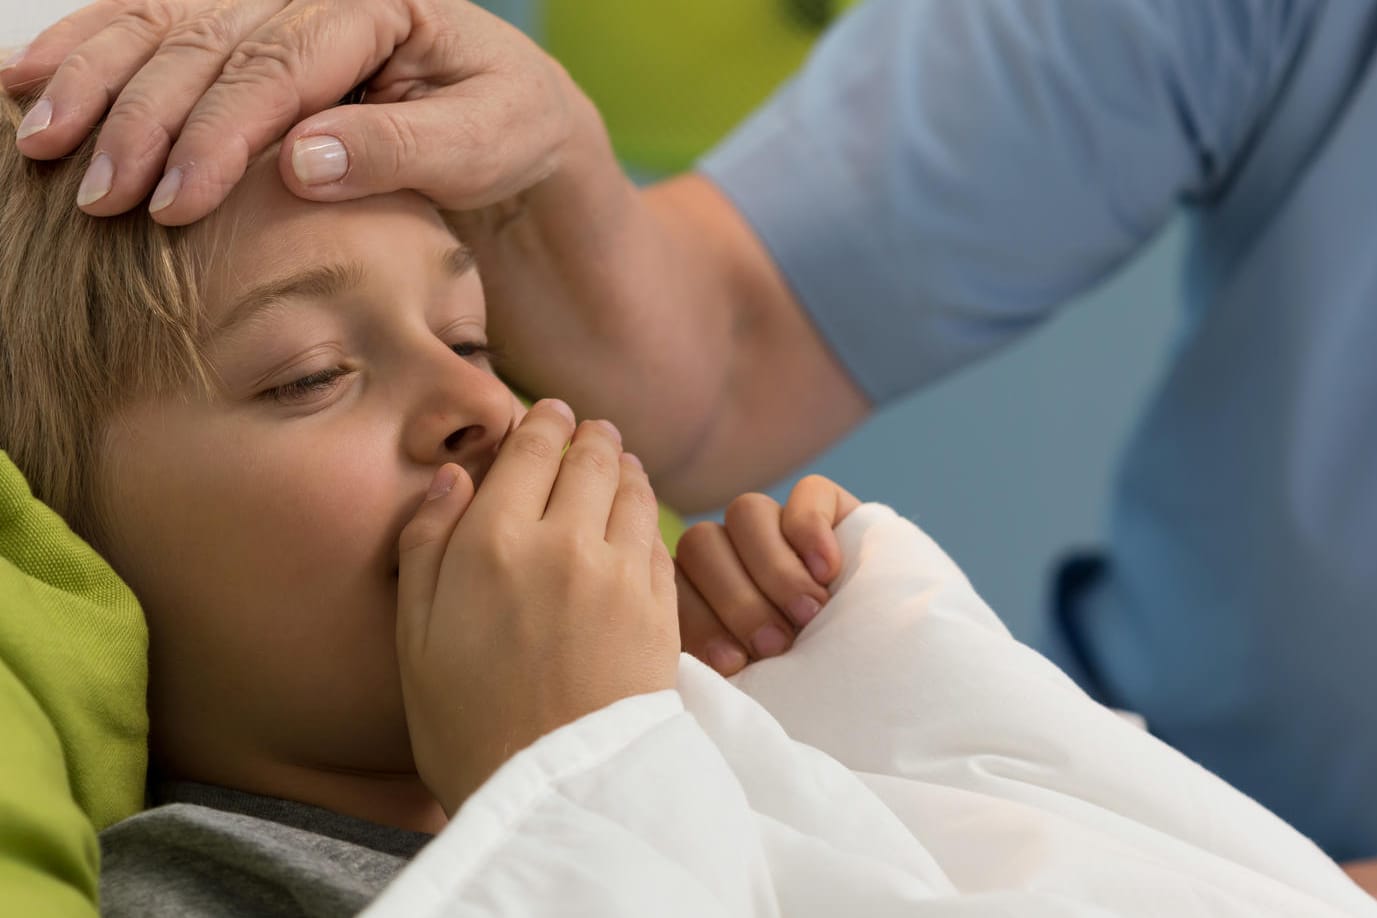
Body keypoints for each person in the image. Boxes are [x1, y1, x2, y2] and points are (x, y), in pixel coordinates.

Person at [4, 0, 1376, 878]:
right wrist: (579, 777)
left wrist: (851, 712)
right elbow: (727, 339)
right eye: (309, 375)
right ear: (72, 544)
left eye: (477, 339)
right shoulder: (196, 886)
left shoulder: (743, 760)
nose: (487, 405)